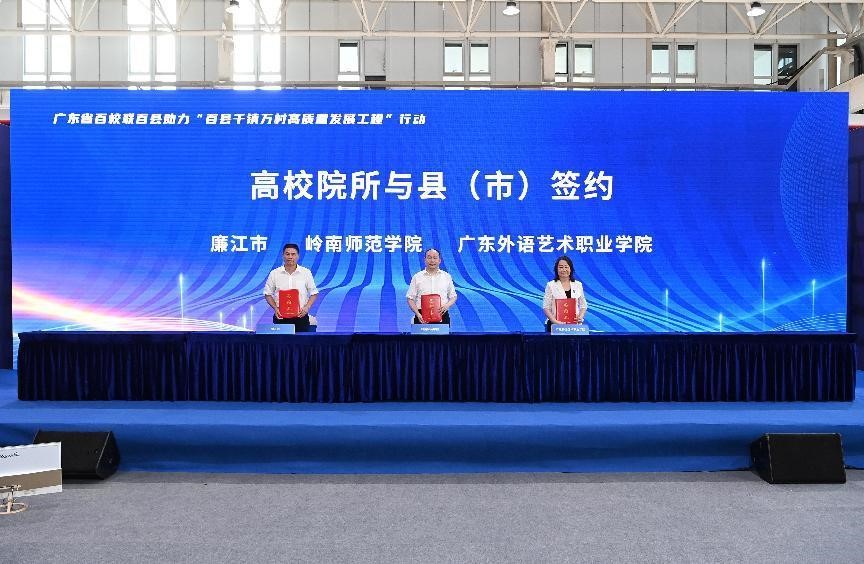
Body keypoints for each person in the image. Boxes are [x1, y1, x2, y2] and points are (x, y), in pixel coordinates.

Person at [263, 243, 319, 332]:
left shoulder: (306, 273)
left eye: (293, 254)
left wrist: (307, 307)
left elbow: (314, 293)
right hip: (280, 317)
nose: (290, 257)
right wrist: (275, 308)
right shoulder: (274, 273)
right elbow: (267, 294)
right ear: (283, 256)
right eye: (287, 254)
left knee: (301, 341)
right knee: (280, 341)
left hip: (300, 317)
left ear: (298, 256)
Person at [406, 248, 457, 325]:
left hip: (442, 315)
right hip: (421, 316)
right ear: (425, 260)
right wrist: (417, 313)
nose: (432, 260)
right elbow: (410, 298)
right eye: (429, 258)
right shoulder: (417, 277)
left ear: (439, 260)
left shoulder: (446, 276)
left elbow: (453, 296)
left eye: (435, 258)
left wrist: (446, 306)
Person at [543, 255, 588, 332]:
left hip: (575, 326)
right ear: (556, 269)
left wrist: (580, 317)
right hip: (554, 326)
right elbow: (546, 307)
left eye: (566, 267)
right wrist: (555, 321)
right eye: (561, 267)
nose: (563, 270)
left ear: (570, 269)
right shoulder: (551, 285)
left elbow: (583, 305)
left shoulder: (578, 284)